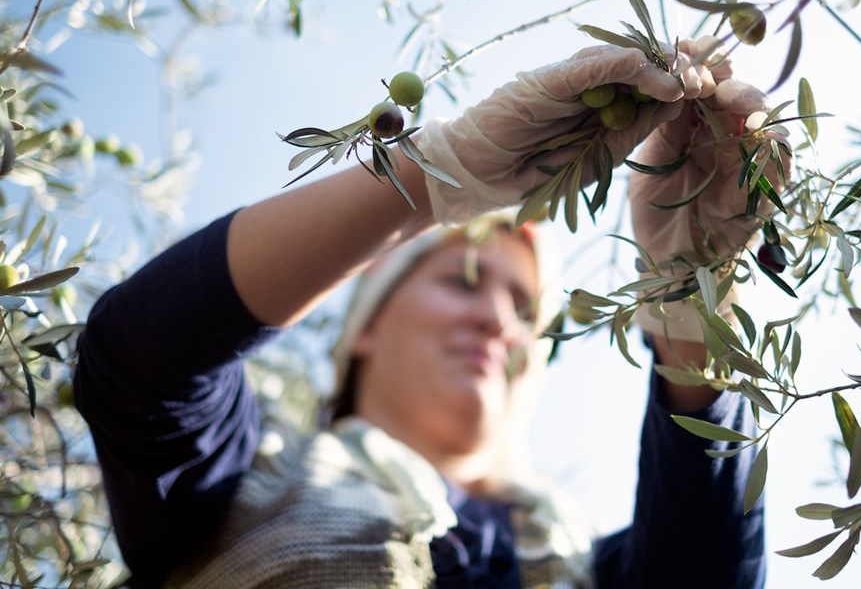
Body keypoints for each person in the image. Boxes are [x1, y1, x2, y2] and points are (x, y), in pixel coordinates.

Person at [73, 37, 783, 588]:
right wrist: (435, 175)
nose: (497, 322)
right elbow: (137, 364)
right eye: (465, 280)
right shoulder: (249, 480)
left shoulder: (596, 568)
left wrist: (693, 300)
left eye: (523, 309)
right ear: (368, 325)